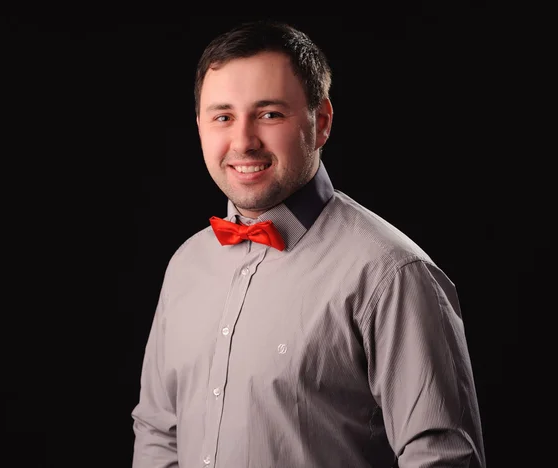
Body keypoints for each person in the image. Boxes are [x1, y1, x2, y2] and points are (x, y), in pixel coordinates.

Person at [131, 20, 486, 468]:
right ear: (200, 126)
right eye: (223, 116)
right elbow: (159, 434)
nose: (243, 141)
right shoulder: (186, 266)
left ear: (321, 123)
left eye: (270, 114)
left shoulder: (391, 274)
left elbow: (444, 459)